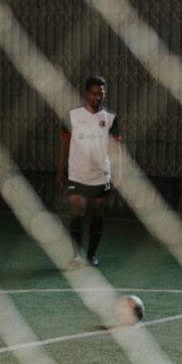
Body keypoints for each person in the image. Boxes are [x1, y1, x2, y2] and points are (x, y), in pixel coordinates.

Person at [55, 76, 122, 268]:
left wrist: (118, 172)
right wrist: (60, 171)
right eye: (93, 93)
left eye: (101, 93)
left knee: (97, 213)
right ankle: (76, 255)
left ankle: (91, 255)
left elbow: (116, 148)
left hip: (101, 174)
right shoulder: (72, 115)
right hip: (77, 172)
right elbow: (64, 143)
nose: (97, 97)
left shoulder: (110, 118)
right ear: (86, 93)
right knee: (77, 212)